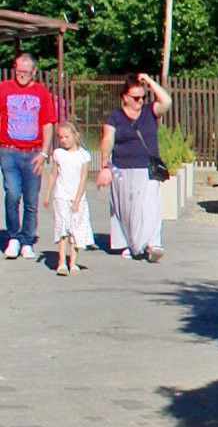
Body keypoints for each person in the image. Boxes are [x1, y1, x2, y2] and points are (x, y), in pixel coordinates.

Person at [97, 72, 171, 262]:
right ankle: (129, 244)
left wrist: (150, 82)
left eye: (142, 97)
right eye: (135, 98)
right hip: (123, 167)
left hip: (147, 168)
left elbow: (167, 102)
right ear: (125, 98)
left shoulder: (149, 111)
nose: (140, 101)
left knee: (149, 206)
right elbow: (107, 139)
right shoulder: (115, 117)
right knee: (126, 208)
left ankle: (153, 243)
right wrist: (105, 164)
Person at [1, 52, 57, 260]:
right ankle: (14, 237)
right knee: (12, 193)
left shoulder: (41, 93)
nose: (21, 75)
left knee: (31, 199)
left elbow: (48, 123)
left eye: (26, 72)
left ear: (33, 71)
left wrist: (44, 152)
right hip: (9, 151)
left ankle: (27, 241)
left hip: (33, 153)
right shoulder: (4, 88)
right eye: (18, 71)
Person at [44, 121, 94, 274]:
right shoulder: (58, 154)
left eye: (66, 137)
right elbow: (53, 175)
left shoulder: (83, 155)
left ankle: (73, 262)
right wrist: (47, 195)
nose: (63, 140)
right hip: (61, 196)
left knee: (76, 229)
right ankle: (62, 262)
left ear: (75, 136)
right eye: (61, 137)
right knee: (63, 229)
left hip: (77, 198)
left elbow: (83, 178)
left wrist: (78, 199)